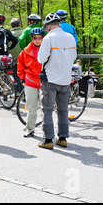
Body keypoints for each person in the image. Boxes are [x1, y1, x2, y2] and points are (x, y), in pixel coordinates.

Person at [37, 13, 77, 149]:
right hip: (65, 79)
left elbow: (41, 59)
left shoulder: (49, 38)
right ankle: (63, 138)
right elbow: (73, 57)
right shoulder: (70, 37)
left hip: (50, 79)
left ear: (48, 26)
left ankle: (48, 140)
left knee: (47, 109)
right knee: (63, 110)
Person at [17, 27, 44, 138]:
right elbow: (20, 65)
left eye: (39, 38)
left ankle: (46, 131)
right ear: (31, 38)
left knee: (45, 108)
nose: (37, 40)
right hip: (30, 81)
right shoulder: (26, 51)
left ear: (43, 38)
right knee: (31, 107)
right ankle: (29, 128)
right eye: (34, 38)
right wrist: (22, 78)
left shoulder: (47, 49)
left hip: (44, 82)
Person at [9, 18, 24, 93]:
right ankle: (23, 92)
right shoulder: (24, 32)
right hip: (23, 58)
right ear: (19, 25)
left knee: (14, 75)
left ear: (11, 26)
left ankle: (17, 92)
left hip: (13, 58)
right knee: (22, 75)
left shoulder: (9, 34)